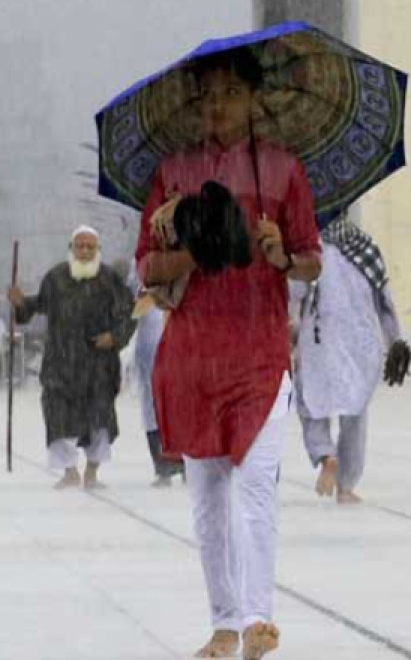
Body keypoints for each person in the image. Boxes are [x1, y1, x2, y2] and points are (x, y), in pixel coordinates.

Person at [136, 47, 321, 660]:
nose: (217, 104)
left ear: (252, 98)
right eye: (207, 94)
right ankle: (221, 621)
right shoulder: (173, 173)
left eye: (229, 93)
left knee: (256, 488)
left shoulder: (282, 170)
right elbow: (146, 266)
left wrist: (278, 254)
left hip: (260, 356)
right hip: (192, 356)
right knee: (209, 497)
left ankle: (257, 619)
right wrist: (197, 248)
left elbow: (310, 259)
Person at [7, 226, 135, 489]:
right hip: (60, 365)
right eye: (80, 246)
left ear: (97, 250)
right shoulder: (55, 277)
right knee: (57, 416)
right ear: (71, 248)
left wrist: (114, 337)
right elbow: (38, 305)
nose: (85, 251)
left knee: (99, 421)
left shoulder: (110, 279)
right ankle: (69, 471)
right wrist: (21, 303)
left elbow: (128, 315)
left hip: (98, 365)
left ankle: (92, 472)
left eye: (90, 247)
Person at [291, 216, 407, 504]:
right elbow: (385, 300)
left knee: (311, 403)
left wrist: (288, 337)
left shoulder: (310, 251)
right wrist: (396, 340)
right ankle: (346, 486)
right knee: (355, 413)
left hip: (319, 340)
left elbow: (294, 297)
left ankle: (325, 454)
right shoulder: (364, 248)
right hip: (362, 344)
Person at [126, 260, 184, 487]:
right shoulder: (143, 259)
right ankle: (164, 466)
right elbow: (133, 294)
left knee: (186, 404)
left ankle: (189, 462)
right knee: (153, 406)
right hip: (151, 348)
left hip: (185, 342)